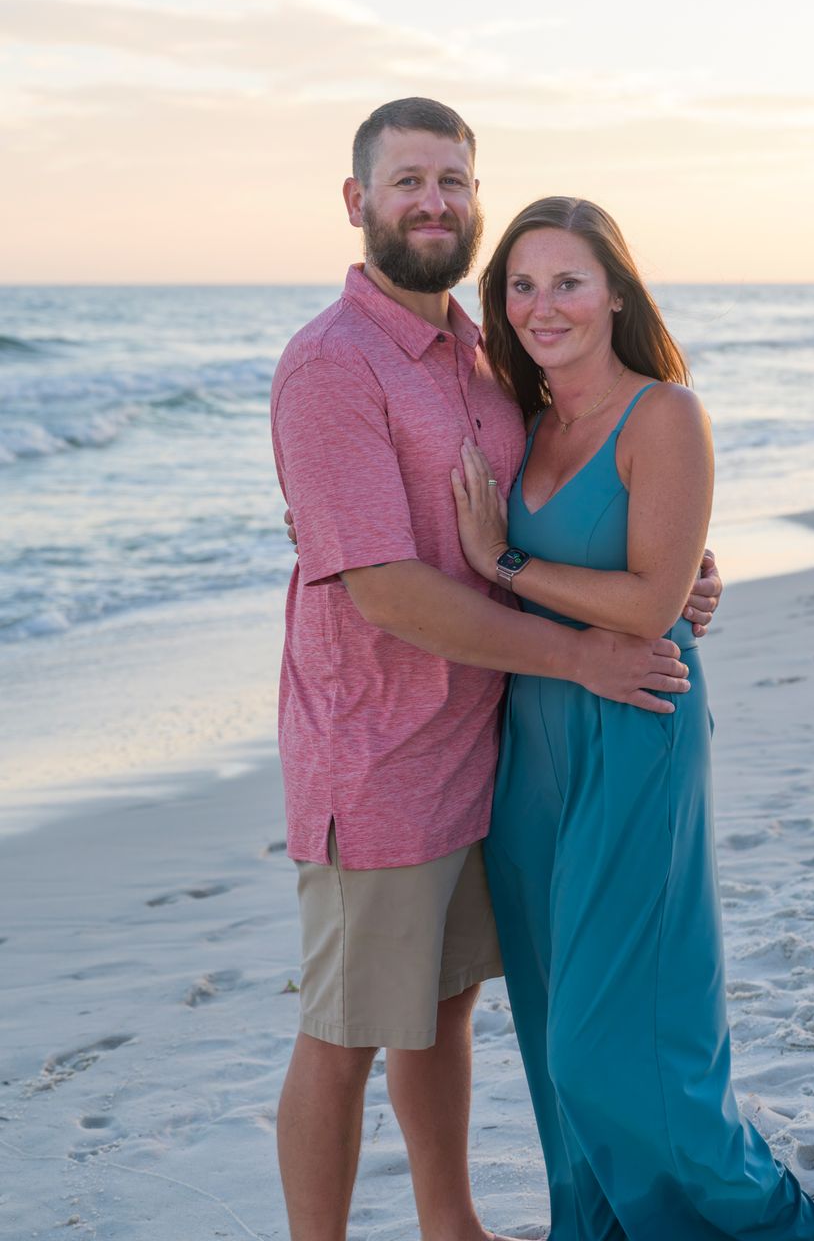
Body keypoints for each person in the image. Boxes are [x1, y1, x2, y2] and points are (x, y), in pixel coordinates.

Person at [271, 98, 721, 1241]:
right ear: (357, 199)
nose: (432, 201)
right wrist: (591, 650)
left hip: (498, 742)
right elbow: (388, 587)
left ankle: (450, 1224)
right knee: (346, 1030)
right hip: (377, 752)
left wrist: (679, 573)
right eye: (407, 179)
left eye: (452, 182)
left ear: (475, 197)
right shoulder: (332, 364)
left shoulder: (484, 357)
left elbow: (580, 490)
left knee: (444, 1007)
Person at [450, 197, 814, 1240]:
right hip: (531, 745)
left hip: (633, 728)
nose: (543, 306)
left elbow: (647, 603)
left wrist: (507, 559)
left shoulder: (663, 412)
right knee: (551, 1043)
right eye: (521, 285)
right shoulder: (521, 417)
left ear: (615, 292)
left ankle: (774, 1226)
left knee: (614, 1046)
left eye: (568, 281)